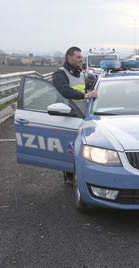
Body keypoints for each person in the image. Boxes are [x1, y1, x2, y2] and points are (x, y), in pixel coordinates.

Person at [53, 46, 98, 186]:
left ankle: (85, 173)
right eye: (78, 57)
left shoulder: (81, 72)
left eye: (81, 57)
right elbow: (65, 91)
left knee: (85, 148)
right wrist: (85, 95)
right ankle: (69, 174)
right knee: (69, 149)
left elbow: (87, 87)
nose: (81, 59)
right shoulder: (60, 74)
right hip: (68, 117)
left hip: (84, 116)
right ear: (69, 57)